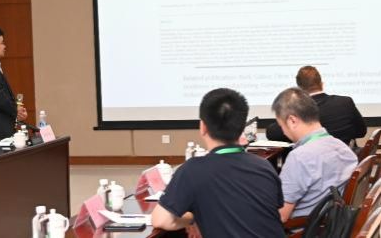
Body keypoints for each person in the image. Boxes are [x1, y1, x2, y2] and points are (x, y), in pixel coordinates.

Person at [151, 88, 285, 237]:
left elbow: (161, 220)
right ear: (242, 128)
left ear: (203, 127)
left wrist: (192, 218)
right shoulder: (264, 166)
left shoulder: (193, 170)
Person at [272, 88, 357, 221]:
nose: (283, 132)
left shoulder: (299, 157)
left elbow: (280, 216)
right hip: (332, 224)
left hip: (303, 228)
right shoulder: (343, 148)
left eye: (281, 126)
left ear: (292, 121)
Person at [266, 66, 367, 147]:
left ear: (299, 89)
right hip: (345, 161)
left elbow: (272, 133)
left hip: (310, 162)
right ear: (321, 84)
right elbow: (361, 132)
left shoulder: (298, 110)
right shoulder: (345, 102)